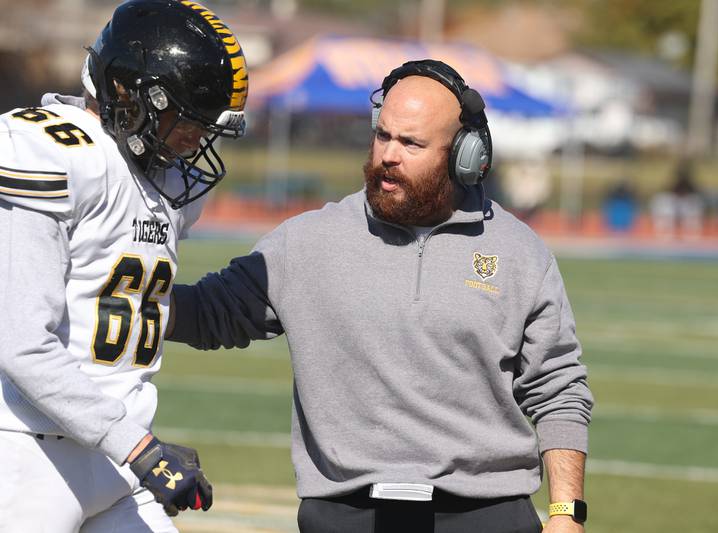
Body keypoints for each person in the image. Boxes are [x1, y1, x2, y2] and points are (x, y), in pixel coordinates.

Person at [168, 60, 592, 533]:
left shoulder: (519, 252)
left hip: (486, 515)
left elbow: (559, 390)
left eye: (411, 143)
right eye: (383, 135)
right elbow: (208, 313)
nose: (389, 154)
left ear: (464, 156)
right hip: (345, 514)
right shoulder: (307, 241)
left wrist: (566, 512)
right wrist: (121, 296)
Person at [0, 1, 249, 531]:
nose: (193, 139)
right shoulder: (52, 151)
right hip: (26, 451)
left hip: (114, 460)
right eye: (185, 117)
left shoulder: (162, 179)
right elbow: (20, 343)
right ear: (125, 92)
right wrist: (139, 447)